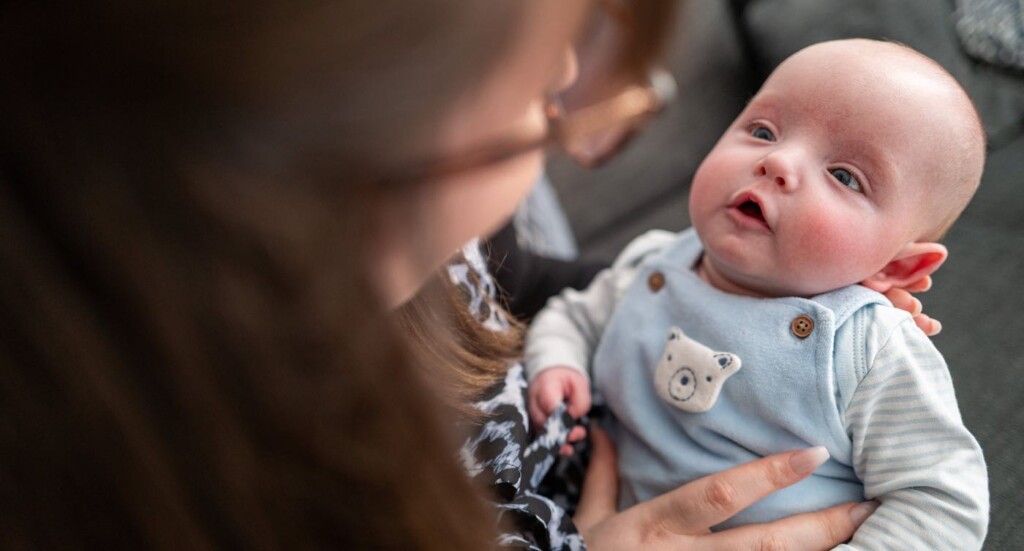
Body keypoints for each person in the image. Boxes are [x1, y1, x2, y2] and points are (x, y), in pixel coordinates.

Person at [0, 1, 937, 548]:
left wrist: (738, 289)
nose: (571, 73)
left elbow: (532, 277)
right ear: (354, 179)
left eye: (846, 177)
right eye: (544, 96)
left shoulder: (443, 246)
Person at [526, 39, 989, 549]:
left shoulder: (869, 351)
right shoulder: (653, 261)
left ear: (896, 266)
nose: (778, 160)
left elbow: (944, 503)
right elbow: (574, 315)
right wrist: (559, 362)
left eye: (844, 176)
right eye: (762, 130)